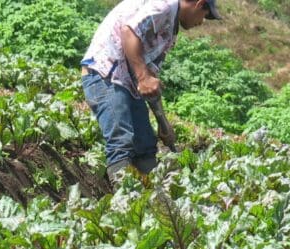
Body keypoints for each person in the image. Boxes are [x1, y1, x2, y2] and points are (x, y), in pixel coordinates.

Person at [80, 0, 221, 184]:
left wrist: (163, 124)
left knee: (146, 146)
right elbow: (129, 31)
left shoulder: (170, 30)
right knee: (122, 142)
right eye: (206, 15)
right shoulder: (164, 5)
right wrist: (143, 78)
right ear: (199, 4)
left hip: (127, 83)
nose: (202, 22)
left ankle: (152, 201)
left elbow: (151, 78)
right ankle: (125, 203)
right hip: (106, 74)